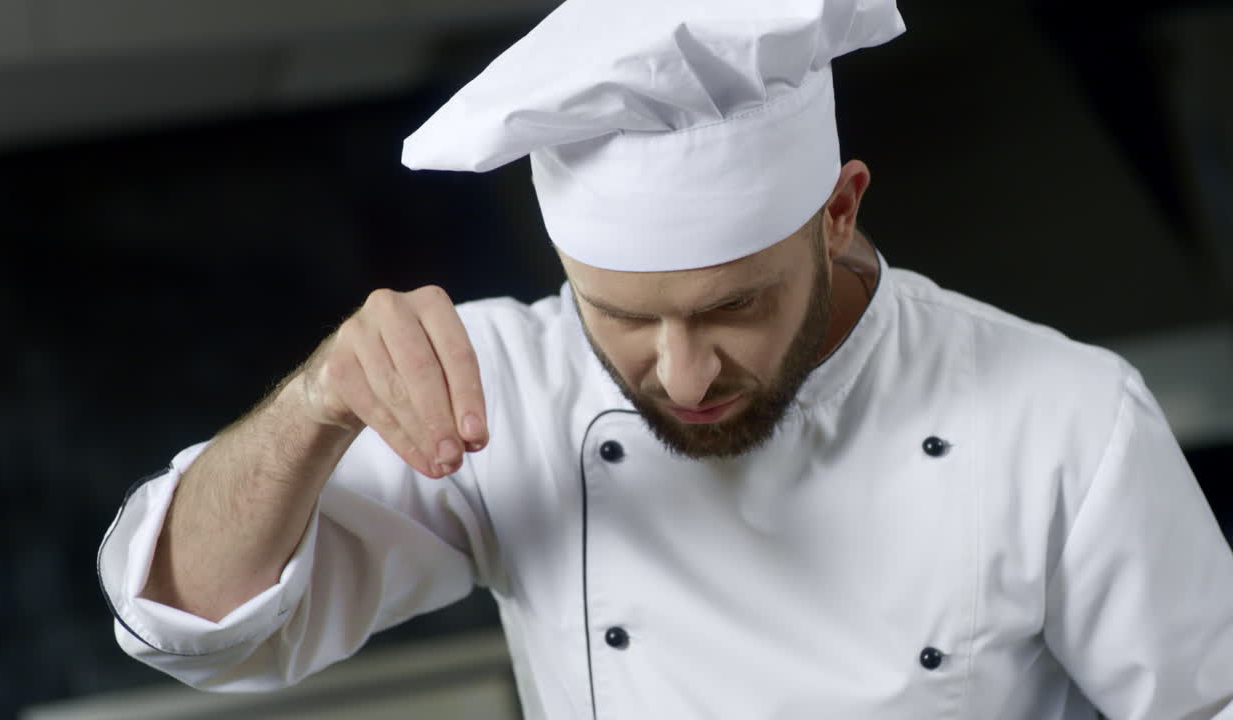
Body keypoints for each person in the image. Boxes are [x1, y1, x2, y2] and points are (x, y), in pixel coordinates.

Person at [98, 0, 1233, 717]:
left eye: (732, 307)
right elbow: (193, 627)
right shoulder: (507, 390)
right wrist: (315, 403)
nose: (682, 376)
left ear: (837, 213)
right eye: (622, 317)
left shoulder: (1066, 419)